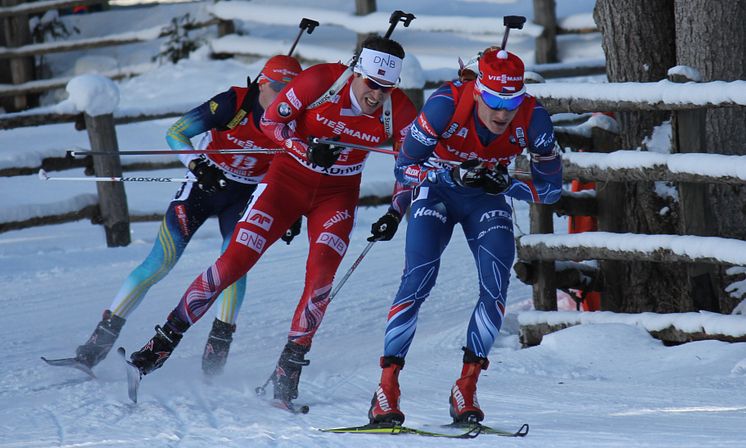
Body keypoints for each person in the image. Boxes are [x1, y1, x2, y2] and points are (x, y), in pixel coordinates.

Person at [125, 35, 418, 408]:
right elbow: (269, 122)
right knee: (233, 262)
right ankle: (161, 344)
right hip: (285, 183)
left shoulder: (400, 110)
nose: (376, 96)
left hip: (336, 197)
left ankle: (287, 374)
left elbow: (409, 164)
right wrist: (304, 146)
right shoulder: (320, 81)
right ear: (356, 71)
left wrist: (396, 210)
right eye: (372, 84)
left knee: (321, 280)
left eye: (387, 87)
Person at [66, 55, 303, 377]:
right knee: (159, 263)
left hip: (245, 195)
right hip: (204, 186)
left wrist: (291, 210)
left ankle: (216, 352)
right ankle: (96, 346)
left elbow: (299, 166)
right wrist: (197, 165)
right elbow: (176, 132)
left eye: (292, 91)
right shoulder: (232, 103)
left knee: (233, 266)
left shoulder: (296, 117)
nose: (285, 97)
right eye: (278, 88)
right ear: (262, 82)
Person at [367, 47, 563, 425]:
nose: (502, 113)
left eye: (512, 101)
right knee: (418, 279)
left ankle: (466, 389)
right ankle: (386, 390)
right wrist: (447, 176)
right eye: (493, 100)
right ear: (477, 91)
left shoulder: (534, 117)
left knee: (495, 286)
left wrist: (509, 183)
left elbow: (552, 190)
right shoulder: (445, 103)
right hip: (437, 193)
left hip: (486, 200)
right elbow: (405, 169)